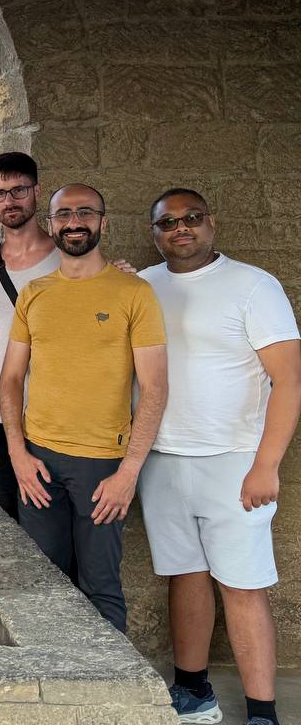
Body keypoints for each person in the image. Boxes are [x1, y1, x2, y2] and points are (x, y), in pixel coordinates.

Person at [138, 189, 301, 725]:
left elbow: (289, 381)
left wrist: (266, 465)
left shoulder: (254, 285)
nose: (180, 229)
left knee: (243, 584)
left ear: (212, 223)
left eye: (192, 218)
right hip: (162, 458)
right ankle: (194, 691)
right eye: (167, 223)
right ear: (154, 233)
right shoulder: (142, 285)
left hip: (236, 461)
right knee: (184, 576)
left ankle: (262, 712)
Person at [0, 183, 168, 633]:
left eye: (86, 213)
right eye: (64, 214)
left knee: (100, 588)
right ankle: (50, 675)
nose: (75, 222)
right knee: (42, 586)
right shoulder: (34, 293)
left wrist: (128, 473)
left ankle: (111, 680)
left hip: (101, 465)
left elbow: (155, 388)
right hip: (37, 462)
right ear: (51, 224)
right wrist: (18, 454)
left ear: (103, 223)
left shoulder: (134, 293)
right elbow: (11, 378)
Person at [0, 153, 59, 518]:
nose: (9, 201)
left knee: (48, 531)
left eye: (19, 190)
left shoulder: (69, 259)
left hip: (52, 416)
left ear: (37, 191)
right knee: (0, 528)